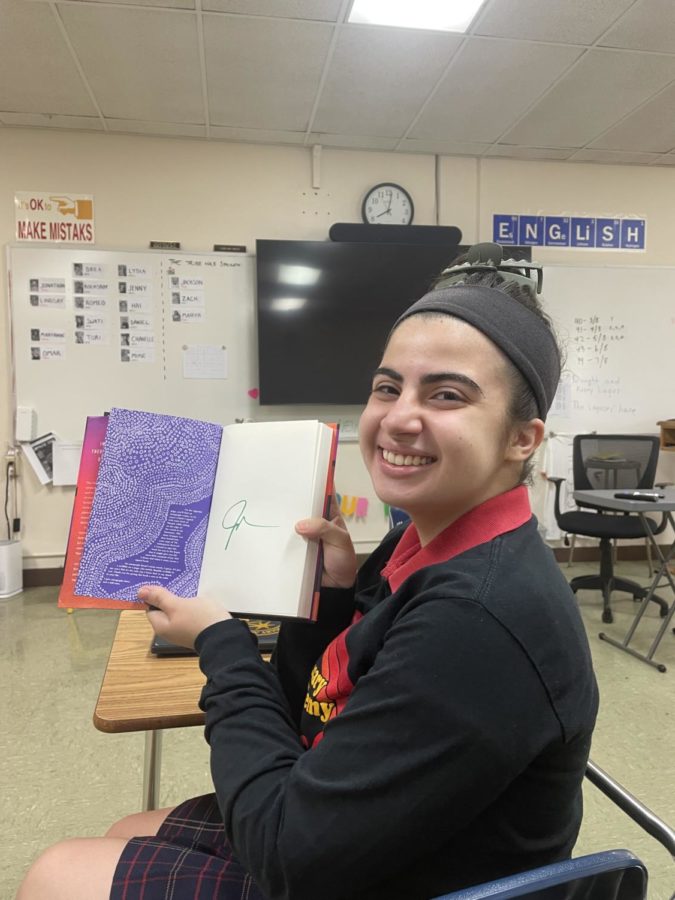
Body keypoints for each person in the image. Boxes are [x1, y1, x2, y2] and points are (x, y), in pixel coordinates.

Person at [18, 243, 598, 900]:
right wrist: (334, 593)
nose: (398, 418)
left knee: (56, 875)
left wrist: (219, 643)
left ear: (522, 438)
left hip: (405, 877)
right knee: (126, 828)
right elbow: (309, 707)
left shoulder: (478, 614)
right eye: (388, 387)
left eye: (445, 395)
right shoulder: (419, 542)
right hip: (355, 827)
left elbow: (288, 856)